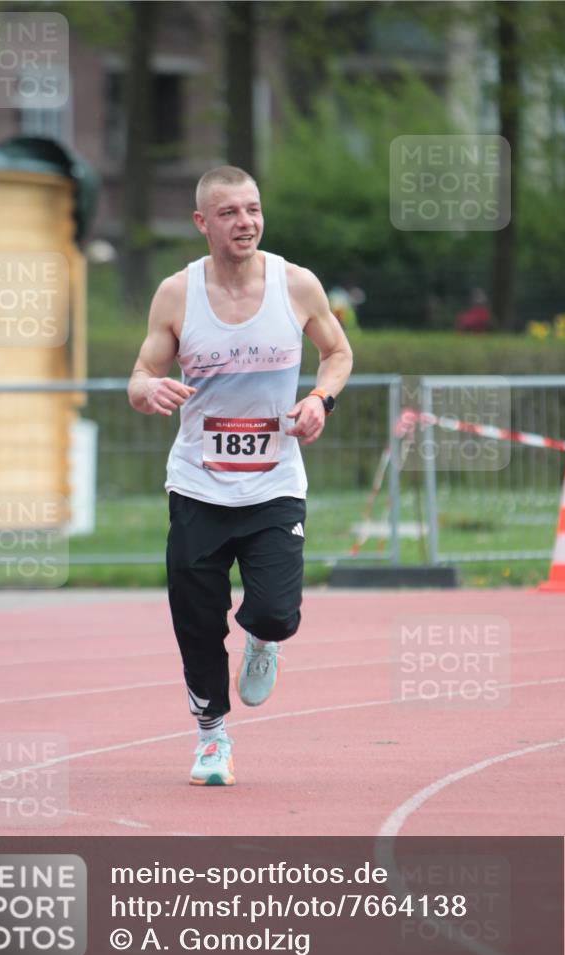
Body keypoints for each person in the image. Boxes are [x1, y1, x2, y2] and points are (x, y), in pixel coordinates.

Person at [127, 166, 353, 786]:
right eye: (229, 212)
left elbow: (338, 353)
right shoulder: (177, 293)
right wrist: (148, 392)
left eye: (253, 210)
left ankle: (261, 638)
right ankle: (211, 739)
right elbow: (141, 373)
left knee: (278, 614)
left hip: (274, 486)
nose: (245, 222)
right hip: (198, 487)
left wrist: (319, 401)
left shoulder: (296, 284)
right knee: (196, 624)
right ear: (203, 223)